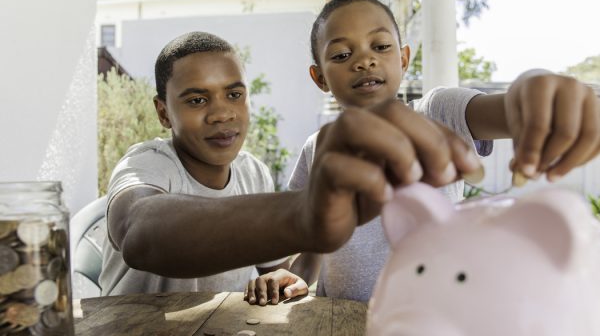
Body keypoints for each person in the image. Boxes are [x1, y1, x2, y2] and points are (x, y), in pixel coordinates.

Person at [244, 0, 600, 304]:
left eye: (381, 47)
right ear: (319, 77)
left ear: (403, 58)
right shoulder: (318, 146)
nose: (364, 60)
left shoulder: (438, 112)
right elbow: (314, 241)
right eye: (340, 55)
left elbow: (509, 109)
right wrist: (296, 276)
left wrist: (536, 92)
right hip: (341, 319)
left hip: (433, 318)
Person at [99, 31, 484, 296]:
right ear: (163, 113)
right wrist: (301, 213)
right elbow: (139, 229)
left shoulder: (253, 173)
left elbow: (275, 270)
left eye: (234, 94)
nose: (221, 114)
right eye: (197, 100)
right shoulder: (147, 164)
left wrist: (290, 272)